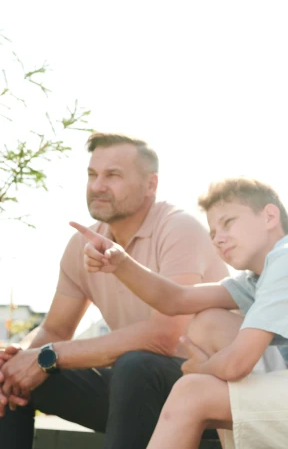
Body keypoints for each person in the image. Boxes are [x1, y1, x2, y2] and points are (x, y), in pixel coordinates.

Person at [71, 177, 288, 448]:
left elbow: (238, 363)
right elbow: (176, 299)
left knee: (192, 391)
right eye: (213, 231)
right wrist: (120, 262)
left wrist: (199, 369)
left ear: (269, 216)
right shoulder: (261, 277)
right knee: (207, 322)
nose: (218, 238)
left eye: (228, 222)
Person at [0, 133, 229, 449]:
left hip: (205, 393)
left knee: (136, 365)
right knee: (6, 375)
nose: (97, 186)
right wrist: (18, 358)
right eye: (92, 175)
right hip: (131, 393)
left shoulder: (179, 229)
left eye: (113, 176)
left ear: (151, 185)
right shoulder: (82, 243)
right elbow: (55, 329)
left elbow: (163, 338)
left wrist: (45, 357)